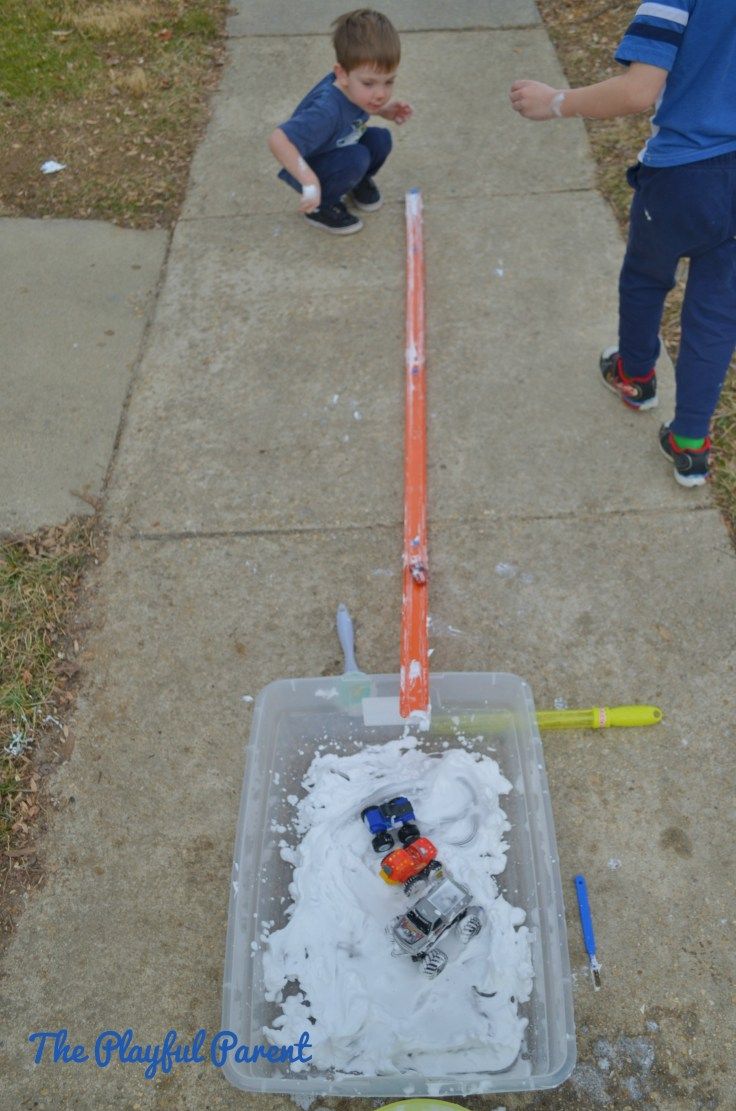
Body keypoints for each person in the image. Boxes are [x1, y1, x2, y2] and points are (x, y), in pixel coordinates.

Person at [510, 2, 736, 487]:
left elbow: (639, 91)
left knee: (645, 277)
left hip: (684, 173)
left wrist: (555, 102)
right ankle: (691, 442)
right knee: (717, 313)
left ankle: (636, 376)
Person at [268, 8, 413, 235]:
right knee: (358, 157)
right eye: (369, 83)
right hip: (315, 165)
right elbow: (278, 139)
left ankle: (355, 182)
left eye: (388, 82)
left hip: (340, 145)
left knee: (380, 140)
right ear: (342, 74)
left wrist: (384, 110)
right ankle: (320, 207)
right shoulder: (325, 111)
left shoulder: (354, 88)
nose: (380, 93)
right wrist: (309, 181)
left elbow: (358, 106)